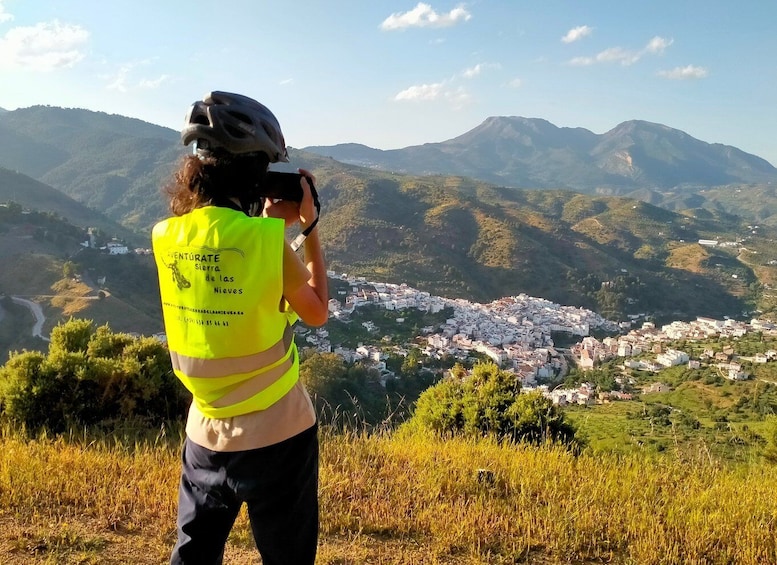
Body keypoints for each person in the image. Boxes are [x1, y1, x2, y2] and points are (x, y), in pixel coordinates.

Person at [151, 91, 328, 565]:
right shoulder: (268, 241)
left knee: (193, 553)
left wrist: (267, 225)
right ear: (256, 171)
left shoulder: (165, 235)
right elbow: (315, 310)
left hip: (204, 430)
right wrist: (307, 230)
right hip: (278, 431)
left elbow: (223, 280)